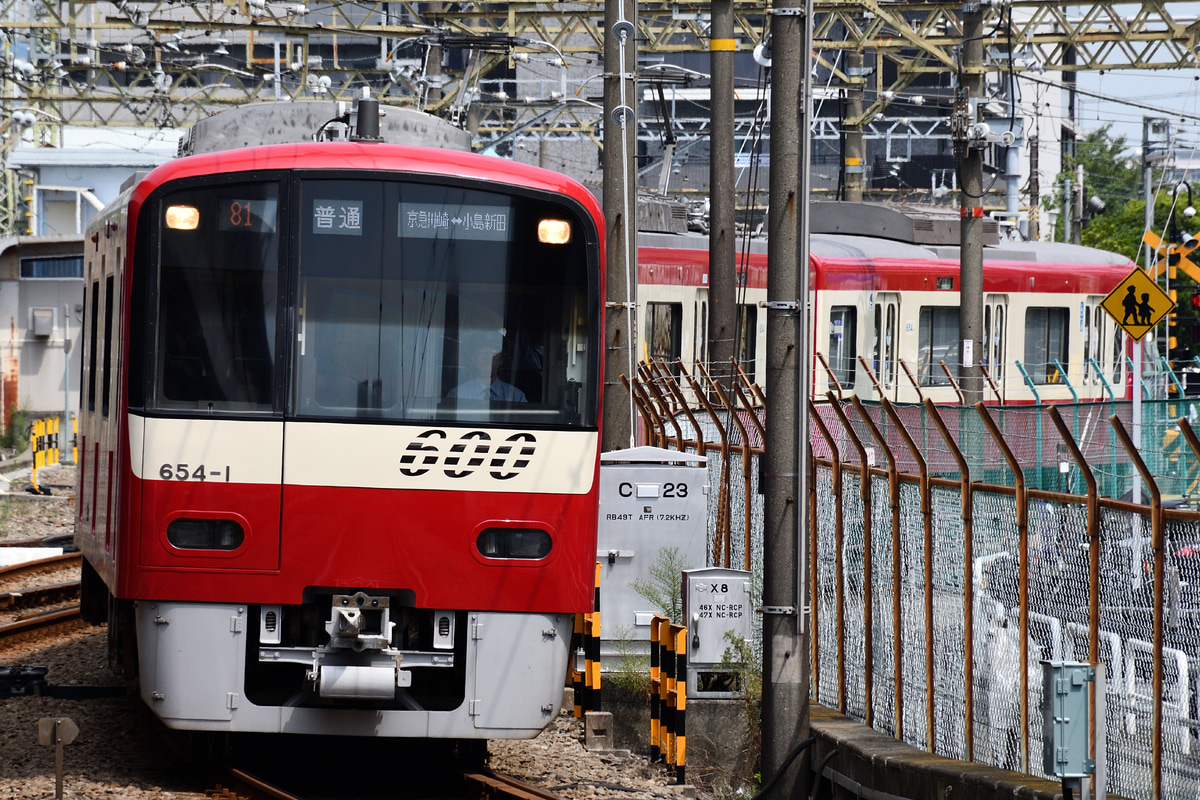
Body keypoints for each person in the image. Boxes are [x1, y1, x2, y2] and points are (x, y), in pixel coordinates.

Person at [448, 342, 526, 402]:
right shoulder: (457, 395)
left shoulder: (516, 396)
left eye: (493, 353)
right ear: (473, 358)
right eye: (481, 352)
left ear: (501, 360)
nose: (487, 358)